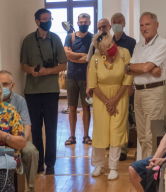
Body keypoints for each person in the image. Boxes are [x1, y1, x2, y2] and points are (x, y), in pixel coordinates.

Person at [21, 8, 67, 174]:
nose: (48, 21)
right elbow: (23, 65)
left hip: (51, 91)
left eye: (50, 19)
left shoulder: (55, 39)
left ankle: (51, 164)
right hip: (32, 91)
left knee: (51, 128)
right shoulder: (28, 40)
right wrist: (32, 70)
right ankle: (39, 163)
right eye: (45, 19)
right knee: (35, 129)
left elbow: (63, 64)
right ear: (37, 21)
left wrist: (48, 71)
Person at [88, 32, 133, 180]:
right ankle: (99, 165)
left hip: (120, 96)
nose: (112, 46)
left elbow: (127, 79)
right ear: (101, 51)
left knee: (116, 131)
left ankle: (113, 167)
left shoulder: (124, 54)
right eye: (107, 46)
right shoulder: (95, 59)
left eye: (112, 43)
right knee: (100, 131)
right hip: (101, 98)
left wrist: (114, 100)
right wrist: (108, 102)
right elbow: (93, 84)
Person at [126, 12, 166, 159]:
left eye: (147, 24)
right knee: (142, 136)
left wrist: (143, 68)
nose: (144, 28)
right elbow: (128, 69)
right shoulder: (138, 45)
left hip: (154, 92)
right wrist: (150, 69)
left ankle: (152, 169)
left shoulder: (162, 43)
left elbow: (140, 67)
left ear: (156, 25)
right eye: (141, 25)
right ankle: (145, 166)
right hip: (138, 92)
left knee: (152, 135)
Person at [0, 70, 40, 192]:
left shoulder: (19, 101)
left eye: (5, 84)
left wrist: (21, 143)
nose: (2, 87)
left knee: (31, 152)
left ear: (12, 85)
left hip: (17, 139)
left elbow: (27, 126)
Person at [63, 13, 93, 146]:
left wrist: (74, 56)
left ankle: (86, 136)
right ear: (77, 23)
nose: (83, 24)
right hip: (71, 76)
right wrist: (83, 55)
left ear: (89, 23)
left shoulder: (92, 38)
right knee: (72, 107)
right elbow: (66, 54)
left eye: (85, 22)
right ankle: (72, 136)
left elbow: (91, 58)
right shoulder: (70, 37)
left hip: (87, 77)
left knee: (86, 107)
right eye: (81, 22)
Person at [111, 12, 137, 161]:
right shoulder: (108, 42)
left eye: (119, 21)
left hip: (125, 84)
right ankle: (113, 146)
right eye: (114, 22)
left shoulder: (131, 42)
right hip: (110, 85)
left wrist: (129, 85)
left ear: (124, 23)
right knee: (112, 115)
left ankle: (123, 149)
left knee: (124, 117)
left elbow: (132, 65)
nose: (116, 24)